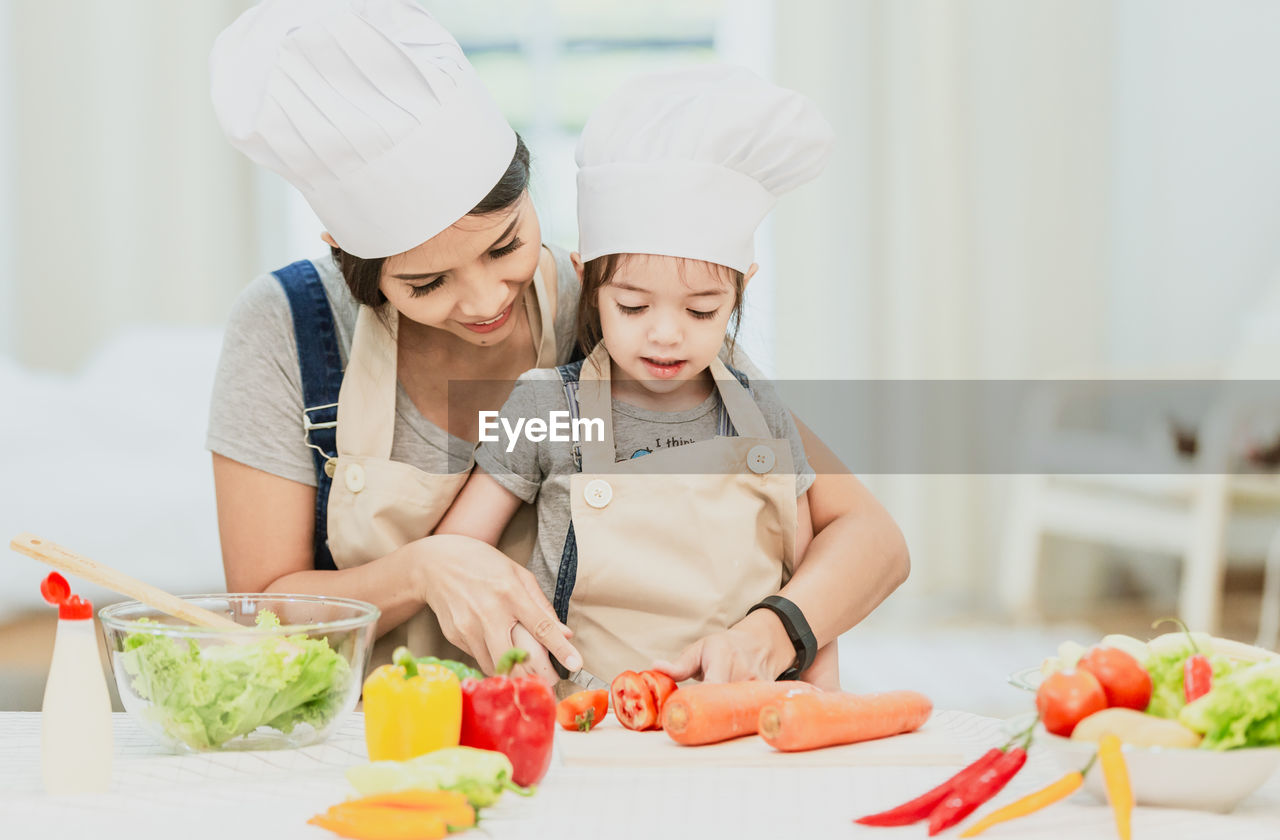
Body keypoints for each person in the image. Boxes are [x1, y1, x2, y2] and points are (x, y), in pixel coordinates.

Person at [206, 0, 909, 684]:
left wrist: (776, 626)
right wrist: (425, 567)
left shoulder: (623, 314)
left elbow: (868, 537)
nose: (486, 302)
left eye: (507, 243)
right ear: (344, 252)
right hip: (381, 734)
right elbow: (255, 613)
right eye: (426, 283)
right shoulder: (287, 329)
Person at [438, 66, 848, 688]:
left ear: (742, 290)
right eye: (632, 307)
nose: (666, 333)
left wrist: (821, 708)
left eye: (702, 310)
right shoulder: (545, 402)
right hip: (585, 723)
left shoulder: (761, 406)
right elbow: (458, 554)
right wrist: (516, 646)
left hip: (738, 725)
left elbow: (808, 584)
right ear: (588, 281)